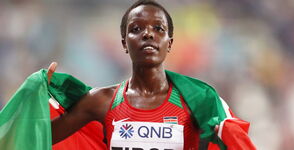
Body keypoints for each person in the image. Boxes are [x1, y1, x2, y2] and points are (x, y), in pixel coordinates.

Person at [48, 0, 255, 150]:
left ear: (170, 43)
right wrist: (36, 93)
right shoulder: (102, 101)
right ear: (124, 43)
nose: (148, 34)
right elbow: (37, 137)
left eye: (158, 28)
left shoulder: (197, 101)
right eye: (136, 28)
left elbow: (233, 140)